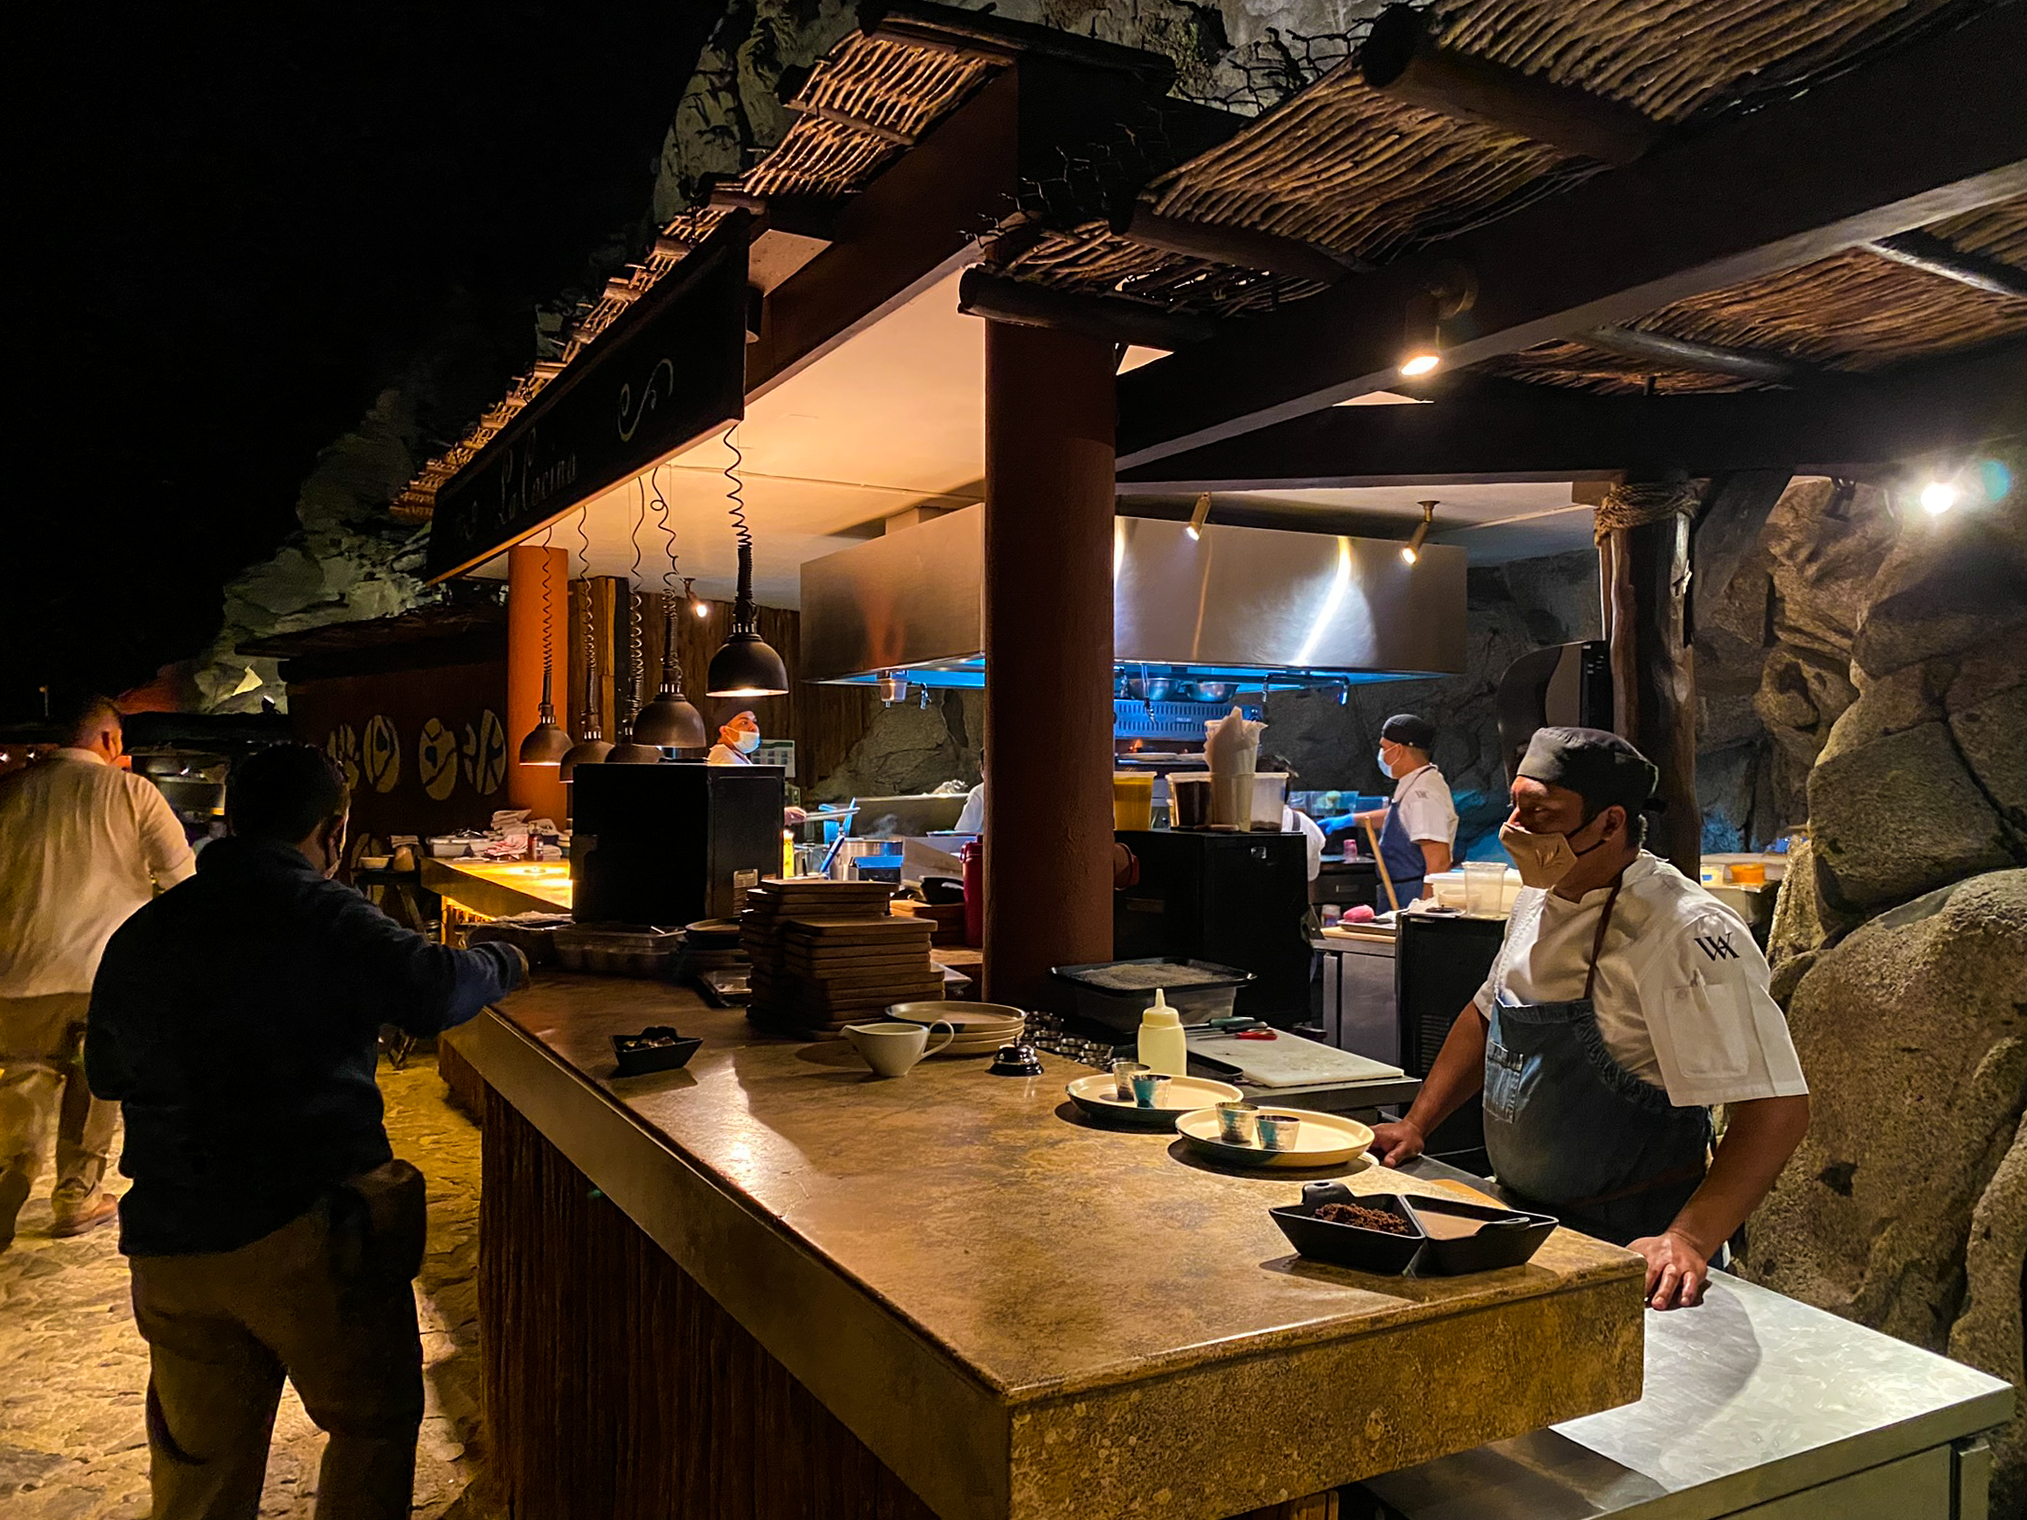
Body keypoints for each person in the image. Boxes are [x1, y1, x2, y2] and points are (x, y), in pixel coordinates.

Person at [86, 745, 528, 1518]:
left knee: (200, 1464)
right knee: (369, 1429)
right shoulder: (324, 912)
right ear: (334, 828)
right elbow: (433, 992)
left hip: (172, 1241)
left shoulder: (146, 931)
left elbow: (108, 1075)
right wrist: (510, 958)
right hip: (306, 1226)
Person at [1369, 728, 1810, 1312]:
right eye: (1516, 805)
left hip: (1632, 1245)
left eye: (1541, 813)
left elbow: (1776, 1107)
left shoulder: (1684, 931)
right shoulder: (1538, 894)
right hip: (1525, 1224)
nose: (1517, 828)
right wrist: (1418, 1122)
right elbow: (1487, 1012)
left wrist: (1687, 1239)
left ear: (1609, 823)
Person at [1, 695, 194, 1248]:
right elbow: (184, 885)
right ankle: (77, 1195)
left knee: (24, 1077)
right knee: (96, 1083)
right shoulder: (134, 793)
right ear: (110, 741)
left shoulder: (10, 792)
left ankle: (13, 1168)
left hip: (14, 974)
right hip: (102, 974)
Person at [1352, 713, 1455, 907]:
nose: (1381, 754)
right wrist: (1351, 820)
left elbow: (1438, 862)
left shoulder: (1422, 794)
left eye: (1384, 747)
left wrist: (1424, 911)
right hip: (1397, 890)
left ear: (1398, 749)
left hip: (1412, 893)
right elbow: (1400, 819)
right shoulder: (1415, 782)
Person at [706, 710, 806, 823]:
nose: (753, 728)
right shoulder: (723, 759)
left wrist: (777, 813)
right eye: (744, 723)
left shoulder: (735, 756)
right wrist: (777, 815)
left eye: (754, 722)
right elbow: (737, 808)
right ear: (725, 731)